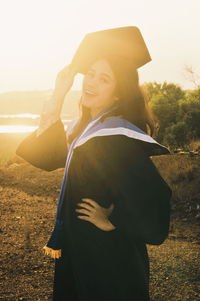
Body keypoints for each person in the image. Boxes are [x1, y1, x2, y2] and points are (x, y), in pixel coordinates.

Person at [16, 27, 172, 301]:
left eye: (104, 79)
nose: (91, 83)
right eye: (90, 73)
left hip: (107, 260)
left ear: (117, 94)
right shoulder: (87, 129)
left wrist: (113, 220)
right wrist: (58, 94)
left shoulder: (115, 138)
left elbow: (156, 196)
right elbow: (48, 158)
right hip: (81, 251)